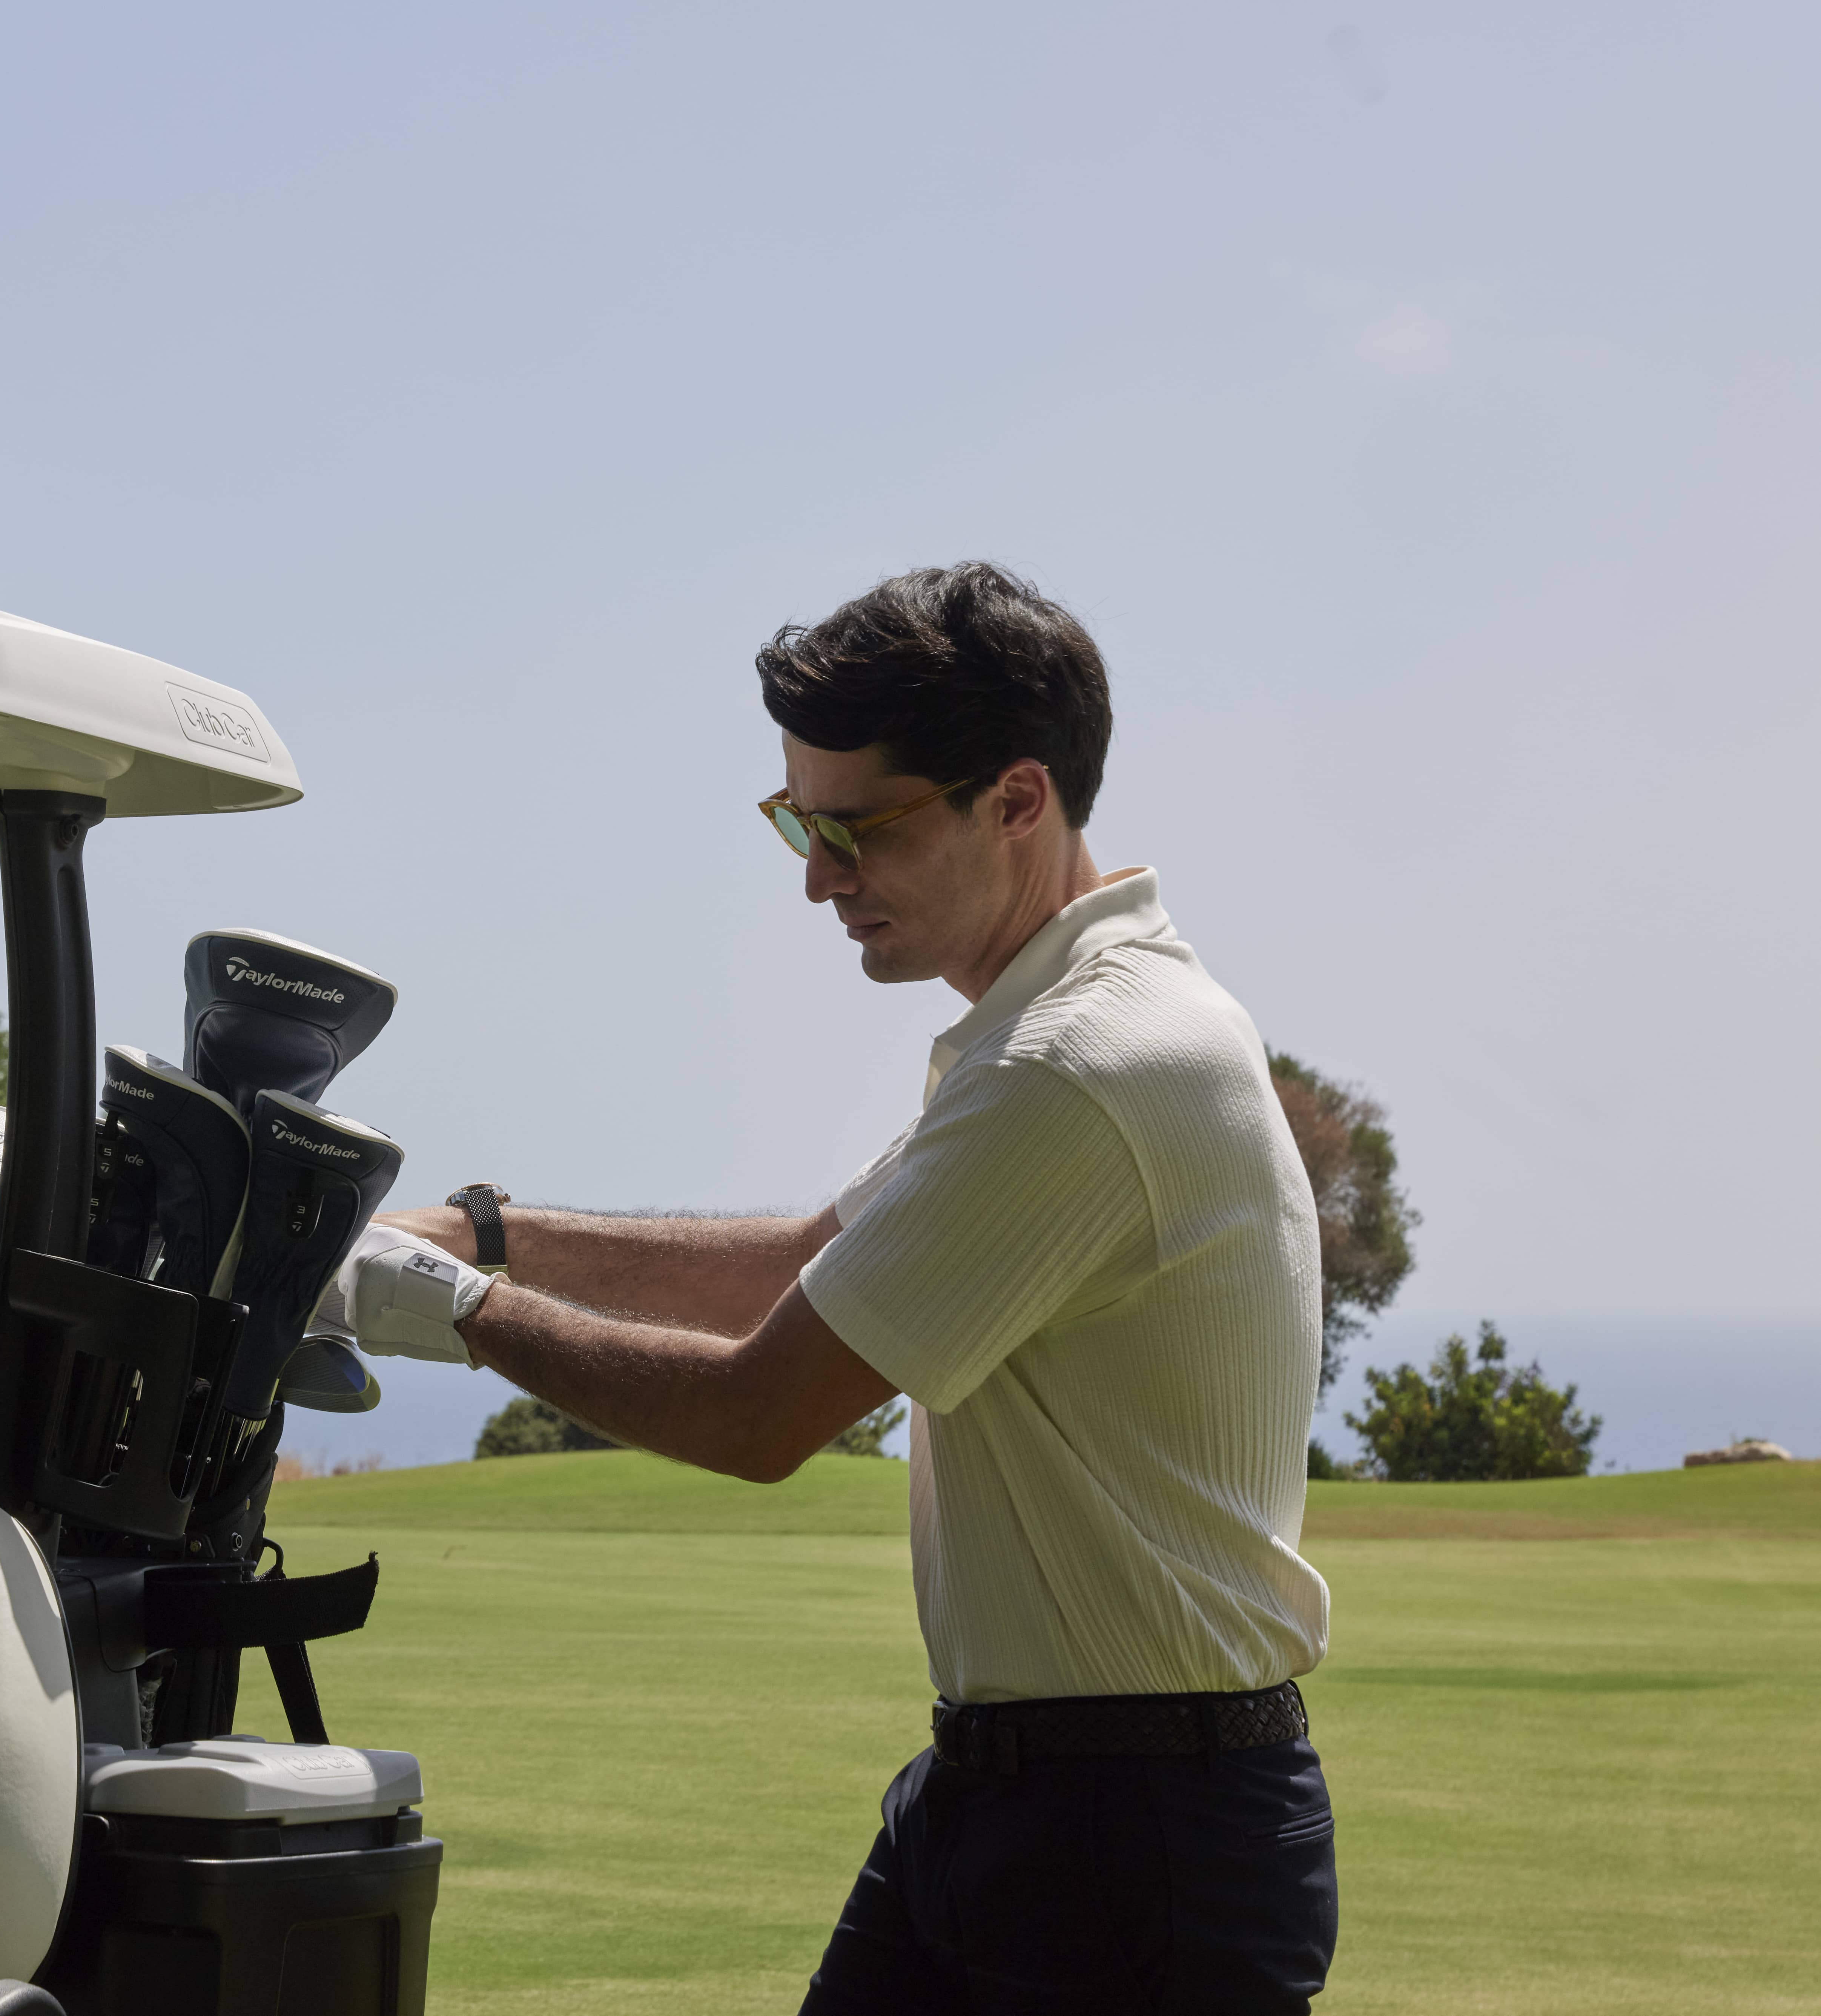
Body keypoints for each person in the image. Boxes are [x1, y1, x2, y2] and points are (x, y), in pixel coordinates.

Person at [313, 562, 1338, 2013]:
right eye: (796, 821)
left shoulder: (1079, 1059)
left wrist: (428, 1302)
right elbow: (806, 1263)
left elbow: (759, 1412)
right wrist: (486, 1232)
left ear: (1018, 800)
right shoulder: (1055, 1017)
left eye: (857, 827)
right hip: (1023, 1799)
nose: (815, 874)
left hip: (1140, 1846)